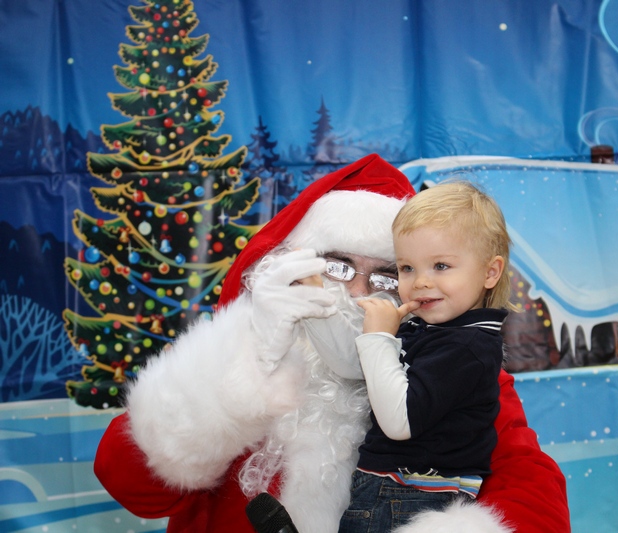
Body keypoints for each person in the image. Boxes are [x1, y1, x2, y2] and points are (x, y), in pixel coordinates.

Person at [93, 154, 570, 533]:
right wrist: (245, 363)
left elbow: (531, 486)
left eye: (387, 275)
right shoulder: (241, 349)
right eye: (338, 266)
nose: (358, 293)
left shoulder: (447, 364)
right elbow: (132, 486)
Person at [339, 181, 511, 532]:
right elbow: (353, 367)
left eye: (441, 266)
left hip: (408, 495)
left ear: (490, 272)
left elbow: (399, 422)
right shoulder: (437, 329)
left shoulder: (465, 346)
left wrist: (378, 338)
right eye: (406, 268)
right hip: (397, 492)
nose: (419, 282)